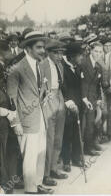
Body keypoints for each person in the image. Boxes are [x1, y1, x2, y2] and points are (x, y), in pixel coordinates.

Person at [7, 31, 54, 194]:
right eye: (39, 47)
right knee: (30, 156)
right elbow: (11, 99)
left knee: (41, 151)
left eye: (43, 47)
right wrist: (15, 122)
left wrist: (45, 94)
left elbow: (38, 92)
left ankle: (38, 183)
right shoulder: (16, 68)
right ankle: (30, 188)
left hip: (40, 117)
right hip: (26, 120)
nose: (43, 50)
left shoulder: (39, 65)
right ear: (28, 48)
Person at [40, 39, 68, 187]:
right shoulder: (42, 65)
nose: (59, 56)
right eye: (56, 53)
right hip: (48, 99)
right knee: (49, 138)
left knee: (58, 136)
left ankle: (54, 168)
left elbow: (61, 85)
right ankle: (45, 174)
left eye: (61, 53)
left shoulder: (60, 65)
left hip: (60, 98)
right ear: (49, 52)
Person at [0, 39, 21, 194]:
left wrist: (13, 118)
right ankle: (5, 182)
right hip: (3, 119)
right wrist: (7, 113)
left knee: (12, 149)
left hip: (9, 120)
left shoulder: (5, 78)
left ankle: (11, 181)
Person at [61, 42, 84, 172]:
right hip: (68, 107)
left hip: (78, 105)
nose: (81, 58)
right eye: (80, 55)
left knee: (77, 132)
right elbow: (63, 89)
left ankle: (76, 158)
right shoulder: (63, 68)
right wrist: (69, 103)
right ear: (71, 56)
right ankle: (66, 160)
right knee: (67, 133)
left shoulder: (77, 67)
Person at [80, 42, 103, 156]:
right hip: (84, 98)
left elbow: (98, 85)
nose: (98, 54)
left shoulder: (98, 66)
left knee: (95, 122)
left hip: (93, 97)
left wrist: (98, 98)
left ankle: (92, 143)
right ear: (90, 51)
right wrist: (84, 98)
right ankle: (87, 148)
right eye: (96, 51)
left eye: (100, 52)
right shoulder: (84, 63)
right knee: (87, 123)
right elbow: (81, 82)